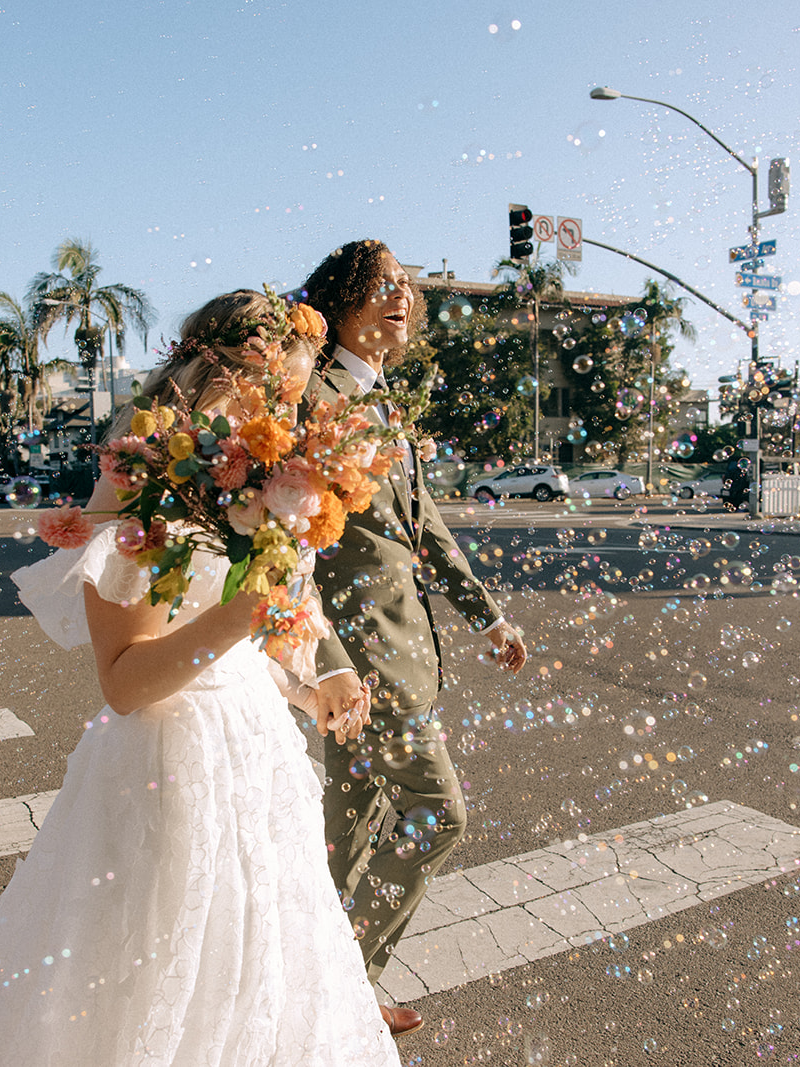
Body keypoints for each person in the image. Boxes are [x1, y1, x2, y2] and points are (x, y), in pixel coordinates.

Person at [0, 290, 399, 1065]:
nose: (287, 417)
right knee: (155, 982)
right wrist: (242, 615)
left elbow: (250, 633)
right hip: (171, 772)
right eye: (280, 394)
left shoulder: (257, 472)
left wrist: (308, 684)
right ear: (234, 369)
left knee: (255, 978)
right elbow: (126, 682)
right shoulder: (145, 474)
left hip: (257, 757)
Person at [298, 241, 528, 1036]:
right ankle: (345, 980)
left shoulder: (382, 400)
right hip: (360, 662)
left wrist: (487, 614)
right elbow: (284, 547)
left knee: (349, 835)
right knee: (439, 812)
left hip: (400, 652)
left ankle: (320, 987)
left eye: (404, 286)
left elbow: (422, 526)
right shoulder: (312, 394)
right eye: (377, 285)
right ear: (340, 299)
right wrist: (326, 662)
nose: (397, 297)